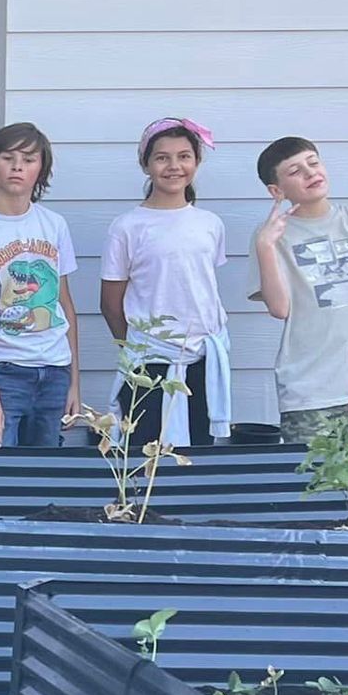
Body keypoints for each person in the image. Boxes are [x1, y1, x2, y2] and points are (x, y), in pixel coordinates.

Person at [100, 118, 230, 449]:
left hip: (202, 358)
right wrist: (136, 345)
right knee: (145, 450)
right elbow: (111, 302)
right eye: (162, 157)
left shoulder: (209, 224)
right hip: (149, 360)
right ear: (146, 164)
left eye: (184, 156)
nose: (174, 166)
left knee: (196, 448)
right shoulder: (127, 227)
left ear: (196, 162)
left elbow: (201, 286)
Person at [0, 123, 80, 449]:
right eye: (8, 157)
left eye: (29, 159)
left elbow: (65, 306)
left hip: (54, 370)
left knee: (46, 479)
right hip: (2, 372)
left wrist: (74, 383)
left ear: (42, 169)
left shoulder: (54, 225)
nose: (18, 166)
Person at [251, 136, 348, 441]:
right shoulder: (269, 235)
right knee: (315, 485)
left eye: (313, 162)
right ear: (276, 191)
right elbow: (280, 309)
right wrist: (266, 246)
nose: (309, 173)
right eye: (294, 171)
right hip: (311, 394)